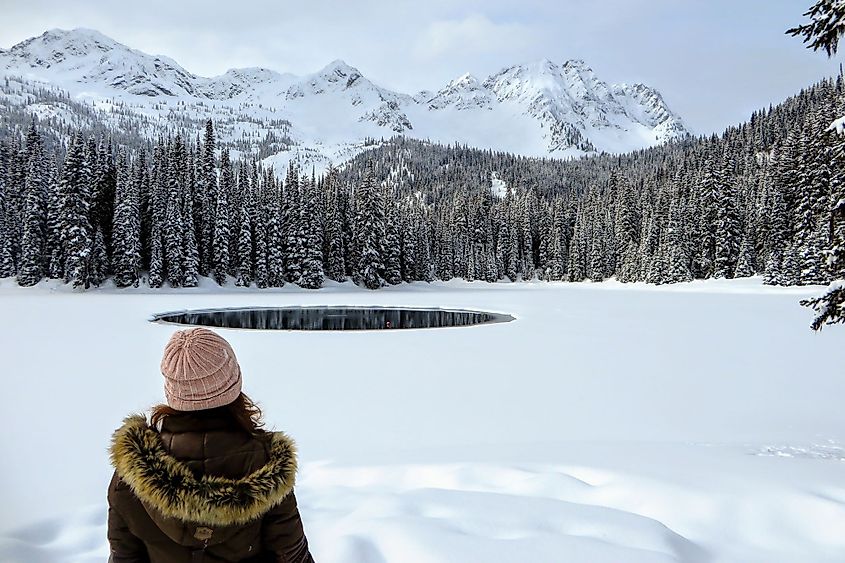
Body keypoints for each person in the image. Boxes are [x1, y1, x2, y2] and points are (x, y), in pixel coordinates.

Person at [107, 327, 314, 562]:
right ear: (233, 383)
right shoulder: (267, 464)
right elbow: (293, 556)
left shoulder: (133, 471)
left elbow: (123, 557)